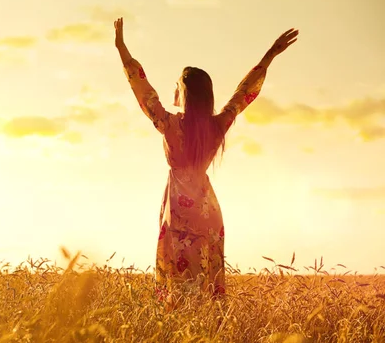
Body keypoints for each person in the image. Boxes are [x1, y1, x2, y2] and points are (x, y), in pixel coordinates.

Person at [114, 17, 298, 309]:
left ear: (185, 91)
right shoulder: (216, 126)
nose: (173, 88)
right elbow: (242, 94)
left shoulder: (169, 124)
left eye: (177, 84)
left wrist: (121, 48)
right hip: (208, 212)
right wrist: (269, 56)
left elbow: (142, 89)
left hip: (178, 212)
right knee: (205, 286)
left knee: (178, 285)